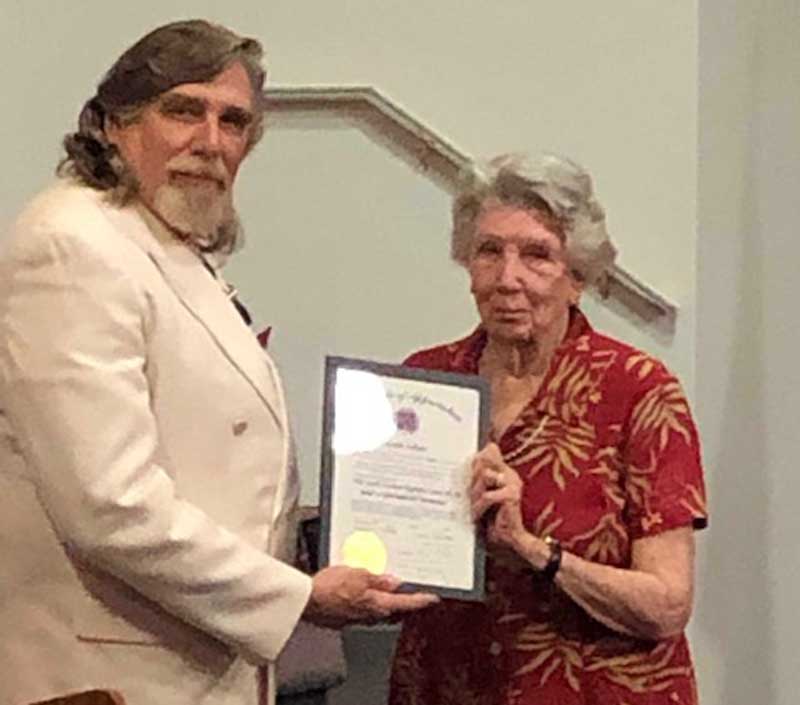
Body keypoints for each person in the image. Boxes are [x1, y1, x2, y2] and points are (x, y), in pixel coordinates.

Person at [0, 19, 436, 705]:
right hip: (108, 677)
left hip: (188, 659)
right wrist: (297, 594)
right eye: (183, 111)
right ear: (115, 124)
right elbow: (110, 504)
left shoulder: (161, 243)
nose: (210, 142)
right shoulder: (72, 243)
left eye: (233, 122)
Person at [388, 153, 708, 705]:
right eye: (489, 251)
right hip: (443, 687)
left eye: (537, 255)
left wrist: (535, 551)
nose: (507, 278)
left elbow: (667, 604)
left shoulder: (638, 391)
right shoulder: (425, 380)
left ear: (577, 277)